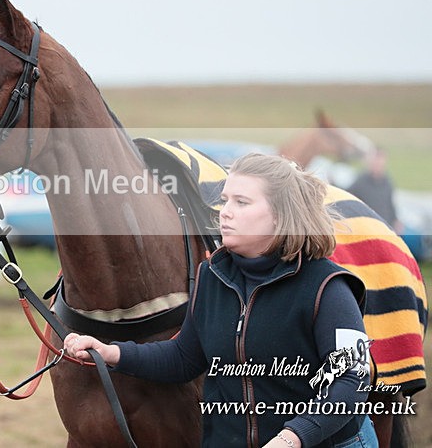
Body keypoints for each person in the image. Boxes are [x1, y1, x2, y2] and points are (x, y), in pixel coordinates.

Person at [64, 153, 377, 448]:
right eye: (225, 200)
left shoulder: (329, 287)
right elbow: (184, 358)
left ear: (282, 215)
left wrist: (294, 436)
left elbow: (353, 380)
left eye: (241, 202)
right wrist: (113, 353)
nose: (224, 211)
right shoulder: (212, 276)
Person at [347, 147, 402, 233]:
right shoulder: (361, 181)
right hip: (367, 227)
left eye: (380, 160)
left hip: (385, 226)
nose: (378, 163)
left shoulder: (387, 182)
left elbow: (390, 204)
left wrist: (396, 220)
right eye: (375, 160)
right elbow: (348, 197)